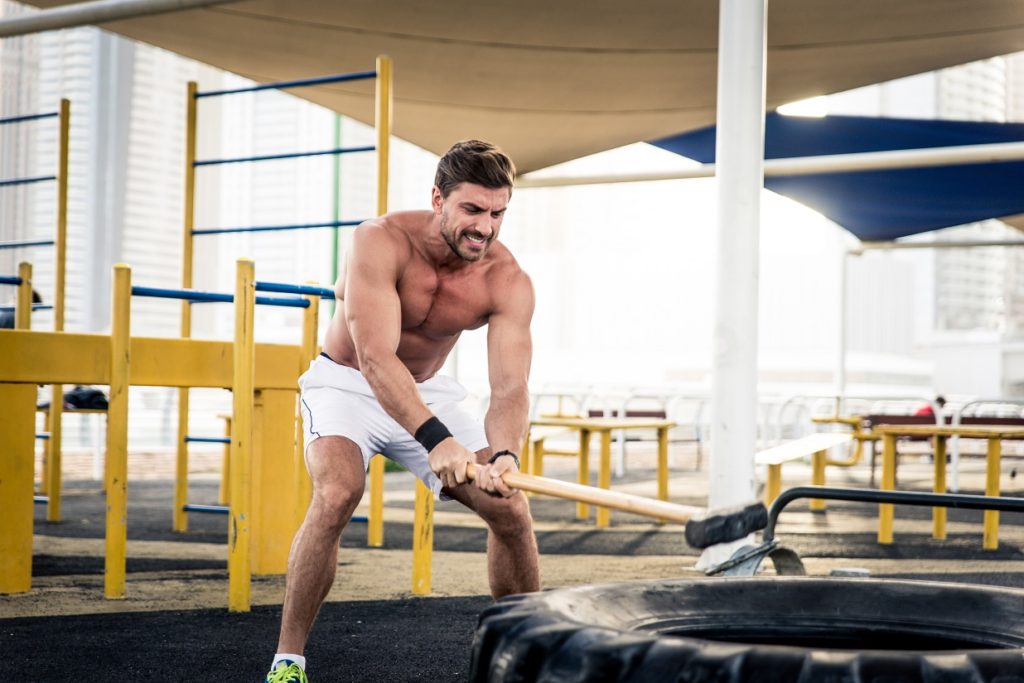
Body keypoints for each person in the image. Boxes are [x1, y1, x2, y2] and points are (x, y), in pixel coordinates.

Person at [264, 140, 541, 683]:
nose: (485, 228)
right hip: (347, 383)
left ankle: (530, 657)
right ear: (438, 198)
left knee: (510, 506)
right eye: (472, 210)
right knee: (338, 492)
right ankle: (288, 661)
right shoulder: (379, 239)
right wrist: (437, 441)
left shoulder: (507, 280)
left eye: (497, 213)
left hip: (427, 391)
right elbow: (374, 357)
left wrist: (506, 454)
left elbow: (510, 386)